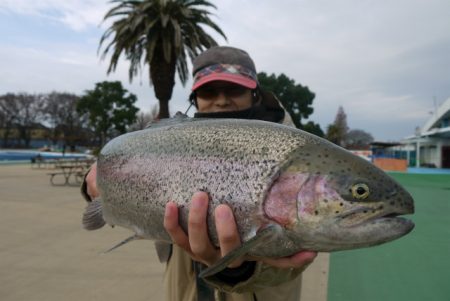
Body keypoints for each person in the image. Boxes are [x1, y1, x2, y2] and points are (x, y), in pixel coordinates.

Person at [81, 46, 317, 301]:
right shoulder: (176, 139)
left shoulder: (294, 153)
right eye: (208, 91)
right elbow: (120, 166)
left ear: (255, 93)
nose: (222, 100)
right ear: (195, 97)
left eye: (234, 89)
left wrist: (239, 269)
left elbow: (296, 257)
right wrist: (92, 183)